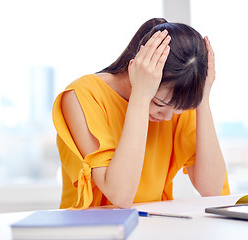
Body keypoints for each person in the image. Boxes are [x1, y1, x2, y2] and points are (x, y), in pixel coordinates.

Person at [52, 18, 230, 209]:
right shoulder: (82, 95)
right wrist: (141, 96)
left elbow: (212, 190)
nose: (167, 117)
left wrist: (202, 98)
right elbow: (120, 195)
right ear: (135, 68)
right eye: (158, 104)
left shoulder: (175, 101)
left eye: (178, 110)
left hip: (154, 226)